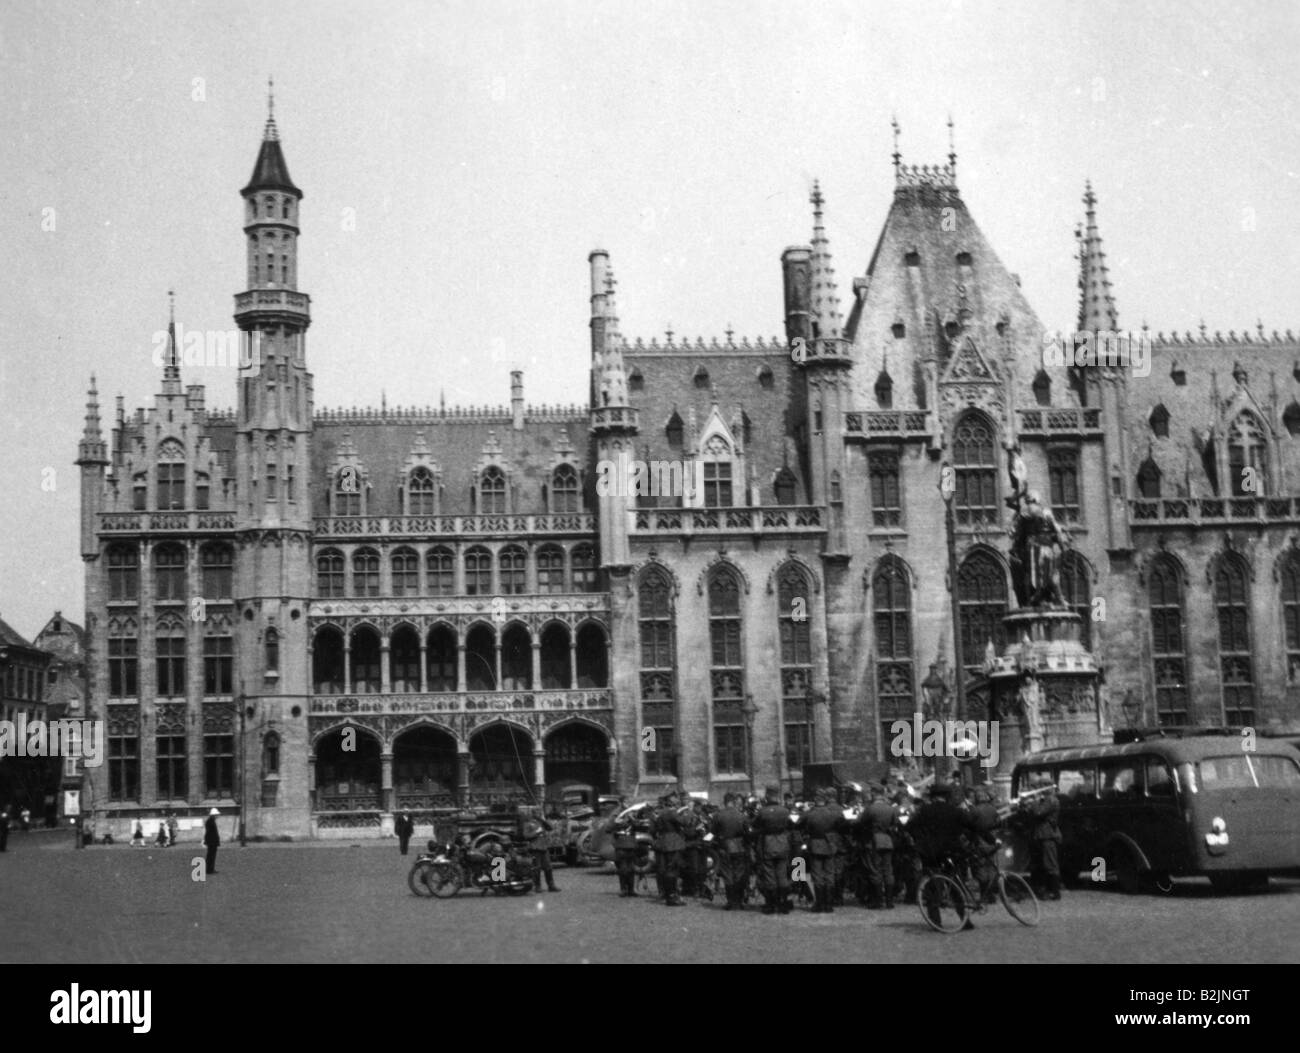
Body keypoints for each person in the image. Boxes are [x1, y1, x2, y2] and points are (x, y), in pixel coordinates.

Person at [752, 784, 793, 915]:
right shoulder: (785, 811)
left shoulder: (763, 812)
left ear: (768, 795)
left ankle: (771, 904)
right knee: (782, 874)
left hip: (768, 844)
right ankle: (783, 903)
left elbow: (755, 825)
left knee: (769, 875)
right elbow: (790, 825)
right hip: (782, 844)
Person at [1023, 776, 1062, 900]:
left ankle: (1055, 892)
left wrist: (1033, 802)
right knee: (1041, 864)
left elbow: (1038, 813)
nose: (1039, 789)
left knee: (1050, 864)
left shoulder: (1051, 800)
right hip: (1040, 836)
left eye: (1041, 786)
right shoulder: (1044, 799)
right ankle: (1044, 890)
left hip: (1048, 835)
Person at [801, 788, 841, 914]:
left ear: (815, 799)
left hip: (815, 845)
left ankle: (819, 904)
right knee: (829, 874)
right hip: (830, 845)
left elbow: (802, 825)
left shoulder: (810, 814)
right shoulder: (832, 813)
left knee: (817, 875)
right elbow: (840, 825)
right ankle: (828, 904)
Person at [862, 783, 900, 909]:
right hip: (888, 840)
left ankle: (877, 901)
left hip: (874, 840)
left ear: (873, 793)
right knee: (888, 870)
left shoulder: (870, 809)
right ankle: (889, 901)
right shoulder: (890, 808)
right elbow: (895, 823)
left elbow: (862, 823)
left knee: (875, 870)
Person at [710, 793, 750, 911]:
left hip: (724, 847)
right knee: (739, 874)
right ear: (734, 801)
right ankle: (739, 901)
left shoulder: (718, 815)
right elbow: (747, 832)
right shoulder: (741, 815)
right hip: (739, 847)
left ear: (724, 801)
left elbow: (713, 832)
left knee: (727, 875)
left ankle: (731, 901)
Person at [652, 792, 689, 906]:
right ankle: (672, 896)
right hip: (673, 843)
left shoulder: (661, 814)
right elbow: (684, 822)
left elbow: (655, 829)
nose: (678, 801)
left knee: (666, 869)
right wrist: (686, 813)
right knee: (672, 869)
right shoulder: (672, 813)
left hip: (663, 842)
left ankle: (669, 894)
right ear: (671, 801)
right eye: (675, 799)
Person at [969, 786, 1002, 903]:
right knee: (992, 867)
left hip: (980, 841)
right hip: (992, 840)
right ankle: (992, 894)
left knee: (980, 869)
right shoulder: (993, 809)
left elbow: (970, 825)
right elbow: (999, 822)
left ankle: (984, 895)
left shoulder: (974, 810)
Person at [519, 806, 560, 893]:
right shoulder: (528, 823)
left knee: (548, 867)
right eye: (537, 812)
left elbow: (550, 827)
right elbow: (526, 835)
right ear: (533, 813)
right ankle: (537, 886)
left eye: (540, 812)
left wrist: (543, 820)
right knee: (536, 868)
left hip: (544, 847)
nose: (539, 813)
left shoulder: (541, 822)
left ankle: (551, 885)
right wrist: (537, 832)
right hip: (535, 848)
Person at [609, 804, 642, 897]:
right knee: (623, 869)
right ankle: (623, 889)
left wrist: (632, 819)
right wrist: (619, 822)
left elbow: (638, 826)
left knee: (631, 869)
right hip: (621, 846)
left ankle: (631, 889)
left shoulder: (633, 820)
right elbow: (609, 828)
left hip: (631, 846)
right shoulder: (617, 819)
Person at [204, 808, 221, 873]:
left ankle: (211, 869)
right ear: (213, 815)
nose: (217, 816)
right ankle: (209, 869)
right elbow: (210, 833)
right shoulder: (210, 821)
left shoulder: (211, 821)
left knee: (211, 855)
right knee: (211, 855)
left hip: (212, 841)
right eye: (216, 815)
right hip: (212, 841)